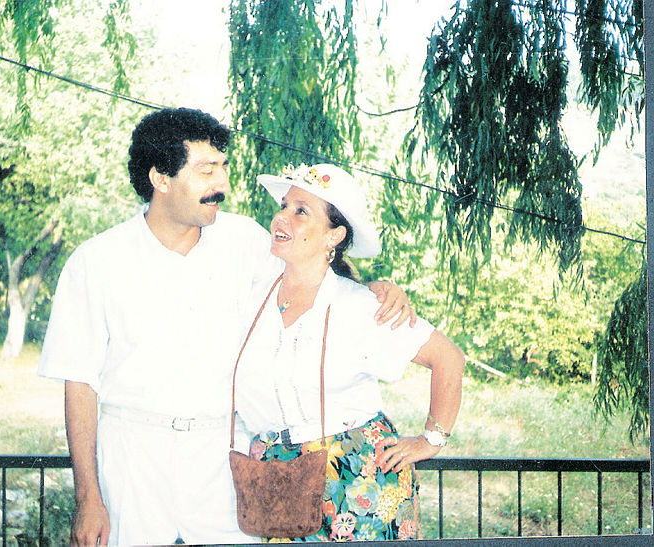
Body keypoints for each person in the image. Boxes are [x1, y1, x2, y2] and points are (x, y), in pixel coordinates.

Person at [37, 108, 415, 546]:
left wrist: (373, 289)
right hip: (131, 459)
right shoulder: (96, 262)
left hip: (223, 456)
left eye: (223, 168)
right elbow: (79, 385)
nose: (223, 184)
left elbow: (312, 275)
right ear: (160, 178)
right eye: (206, 170)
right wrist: (88, 497)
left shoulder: (245, 241)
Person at [233, 163, 465, 542]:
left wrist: (430, 440)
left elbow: (449, 358)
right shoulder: (253, 294)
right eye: (284, 205)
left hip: (359, 478)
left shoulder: (361, 306)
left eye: (301, 211)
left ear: (334, 236)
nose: (282, 217)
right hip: (277, 475)